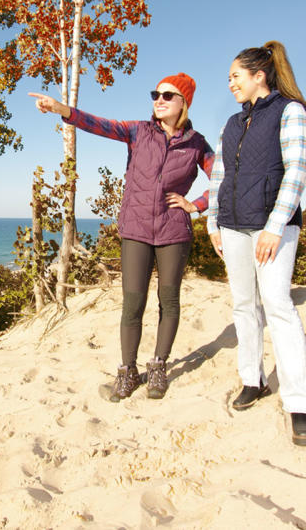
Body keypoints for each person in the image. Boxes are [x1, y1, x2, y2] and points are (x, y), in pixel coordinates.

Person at [29, 73, 214, 402]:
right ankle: (127, 371)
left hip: (173, 231)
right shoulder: (138, 131)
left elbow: (226, 180)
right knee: (133, 303)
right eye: (155, 93)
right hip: (136, 230)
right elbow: (97, 123)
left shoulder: (197, 143)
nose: (158, 100)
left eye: (167, 96)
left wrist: (195, 204)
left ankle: (158, 366)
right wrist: (61, 109)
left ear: (184, 103)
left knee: (168, 302)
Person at [206, 40, 306, 446]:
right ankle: (252, 380)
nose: (230, 83)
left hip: (273, 228)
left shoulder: (290, 111)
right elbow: (218, 177)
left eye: (235, 76)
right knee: (243, 304)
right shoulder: (233, 124)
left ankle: (300, 405)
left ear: (260, 75)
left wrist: (275, 226)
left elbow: (296, 172)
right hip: (233, 227)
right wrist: (213, 223)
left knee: (278, 307)